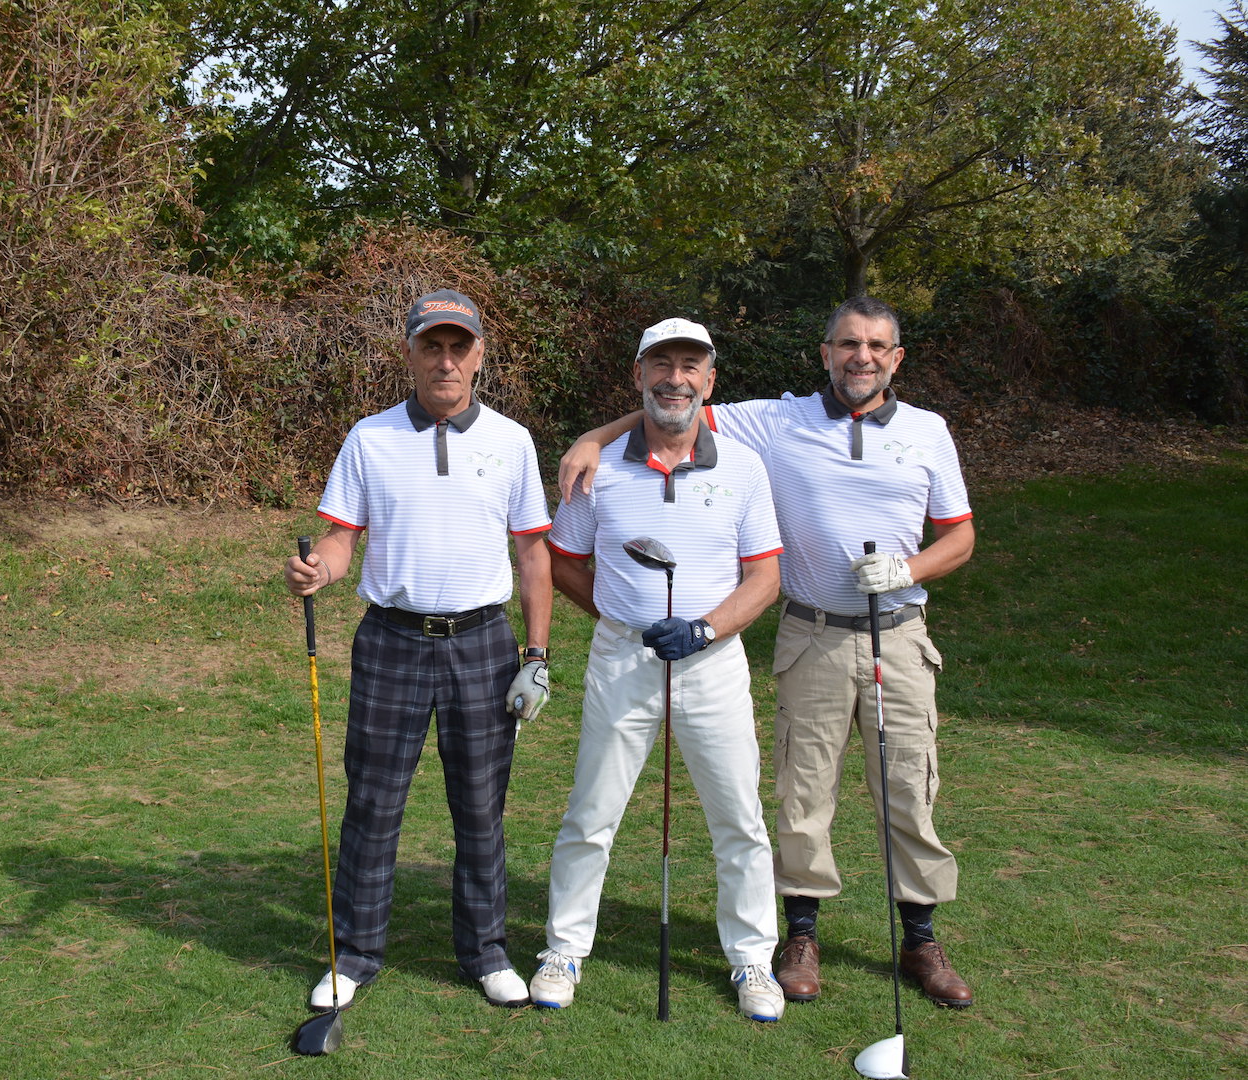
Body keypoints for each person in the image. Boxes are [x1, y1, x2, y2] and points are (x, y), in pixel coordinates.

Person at [558, 296, 977, 1008]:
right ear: (825, 351)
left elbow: (961, 537)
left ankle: (920, 940)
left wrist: (909, 569)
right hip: (812, 631)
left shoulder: (929, 432)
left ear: (896, 358)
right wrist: (596, 436)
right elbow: (674, 408)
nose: (861, 357)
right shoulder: (778, 421)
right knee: (801, 796)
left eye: (876, 346)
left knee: (907, 790)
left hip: (898, 634)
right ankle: (800, 936)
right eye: (847, 343)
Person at [283, 289, 554, 1012]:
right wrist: (320, 571)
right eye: (430, 346)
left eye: (457, 347)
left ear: (479, 356)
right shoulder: (368, 439)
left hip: (484, 643)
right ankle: (357, 954)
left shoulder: (512, 441)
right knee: (372, 805)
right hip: (392, 640)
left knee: (480, 808)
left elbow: (532, 557)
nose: (445, 360)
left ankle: (486, 950)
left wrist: (537, 655)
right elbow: (342, 539)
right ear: (408, 353)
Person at [528, 318, 788, 1022]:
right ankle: (563, 948)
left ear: (710, 380)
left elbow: (764, 578)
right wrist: (619, 615)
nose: (675, 377)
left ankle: (752, 960)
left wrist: (705, 627)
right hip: (624, 659)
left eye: (690, 365)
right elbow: (562, 561)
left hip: (714, 664)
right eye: (661, 364)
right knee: (591, 814)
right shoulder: (597, 467)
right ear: (638, 376)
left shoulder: (742, 468)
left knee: (739, 820)